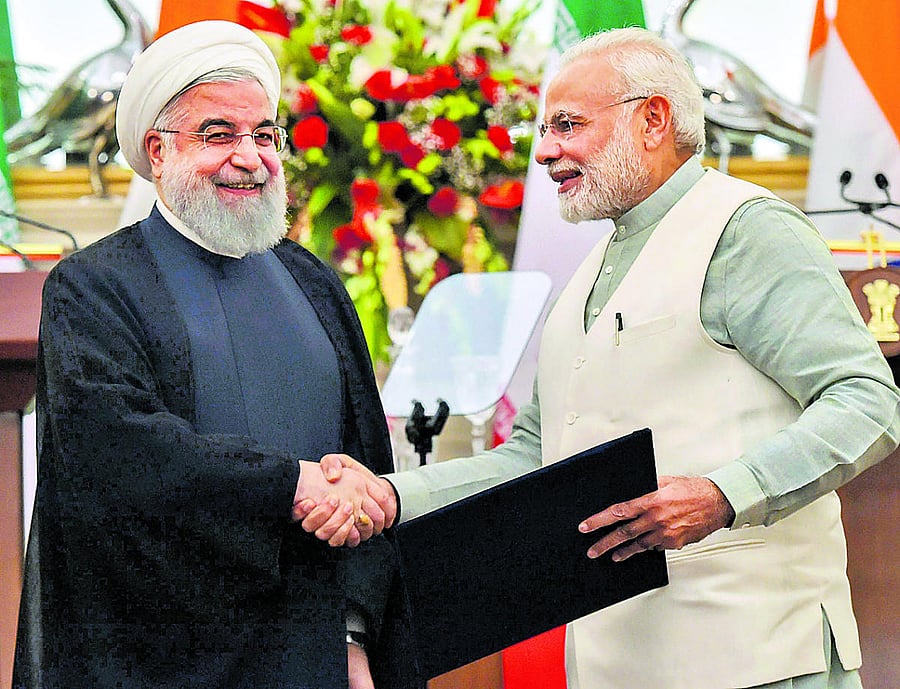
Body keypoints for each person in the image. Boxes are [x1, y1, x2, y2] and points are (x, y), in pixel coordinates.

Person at [304, 26, 900, 689]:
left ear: (653, 120)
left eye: (567, 125)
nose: (545, 151)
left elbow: (868, 400)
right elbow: (532, 459)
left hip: (758, 659)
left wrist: (725, 494)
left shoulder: (749, 230)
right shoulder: (591, 269)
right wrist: (386, 492)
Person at [13, 20, 403, 689]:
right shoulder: (95, 286)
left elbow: (364, 455)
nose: (250, 157)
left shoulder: (313, 282)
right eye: (218, 134)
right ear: (156, 152)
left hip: (313, 655)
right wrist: (291, 483)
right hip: (159, 659)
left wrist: (353, 630)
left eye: (265, 134)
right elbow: (121, 450)